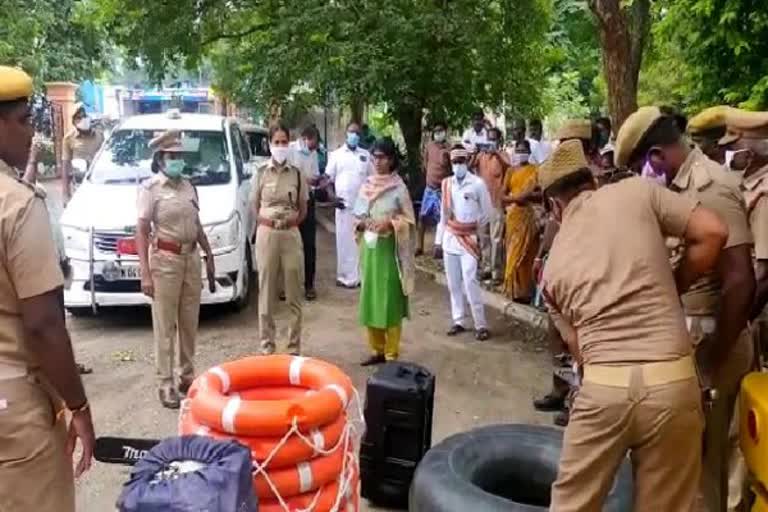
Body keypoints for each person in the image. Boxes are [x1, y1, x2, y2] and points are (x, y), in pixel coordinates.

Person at [541, 139, 729, 511]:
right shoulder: (636, 192)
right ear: (592, 180)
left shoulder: (552, 268)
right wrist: (674, 285)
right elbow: (713, 233)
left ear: (554, 205)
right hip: (672, 386)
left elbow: (579, 350)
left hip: (603, 391)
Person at [616, 106, 756, 512]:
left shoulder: (711, 187)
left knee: (701, 472)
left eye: (642, 163)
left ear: (657, 156)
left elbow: (739, 281)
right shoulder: (677, 189)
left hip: (715, 341)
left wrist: (712, 362)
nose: (643, 173)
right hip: (692, 340)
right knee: (682, 465)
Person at [0, 65, 95, 512]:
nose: (31, 134)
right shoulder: (17, 205)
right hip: (15, 409)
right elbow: (42, 323)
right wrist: (77, 405)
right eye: (22, 122)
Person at [136, 130, 215, 409]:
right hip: (165, 262)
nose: (177, 161)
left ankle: (187, 377)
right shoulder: (151, 189)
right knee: (165, 325)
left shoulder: (189, 186)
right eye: (172, 157)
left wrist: (208, 253)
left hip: (190, 259)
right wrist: (145, 272)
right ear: (160, 159)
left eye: (180, 156)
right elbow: (142, 231)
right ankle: (165, 383)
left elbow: (197, 224)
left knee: (189, 323)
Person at [353, 138, 416, 365]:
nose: (377, 162)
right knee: (370, 298)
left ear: (391, 159)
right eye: (374, 157)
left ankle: (391, 353)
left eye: (382, 157)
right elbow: (358, 214)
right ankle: (376, 350)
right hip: (370, 250)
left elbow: (409, 220)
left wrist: (390, 224)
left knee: (390, 300)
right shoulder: (367, 185)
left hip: (390, 251)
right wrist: (362, 224)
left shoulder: (399, 188)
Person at [250, 122, 309, 356]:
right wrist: (268, 221)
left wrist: (290, 221)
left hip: (291, 234)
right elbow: (254, 206)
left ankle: (293, 348)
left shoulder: (296, 173)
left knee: (294, 291)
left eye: (285, 142)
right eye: (277, 142)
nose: (281, 146)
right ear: (270, 144)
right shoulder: (260, 173)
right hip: (267, 234)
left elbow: (303, 207)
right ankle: (267, 346)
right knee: (266, 291)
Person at [437, 147, 493, 341]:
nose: (458, 165)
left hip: (469, 238)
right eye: (455, 162)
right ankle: (458, 320)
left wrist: (473, 229)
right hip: (450, 237)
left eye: (461, 161)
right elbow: (443, 215)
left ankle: (480, 324)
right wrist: (438, 240)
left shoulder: (477, 184)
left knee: (470, 280)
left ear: (467, 162)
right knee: (453, 283)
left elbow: (487, 213)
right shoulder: (447, 184)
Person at [326, 121, 374, 288]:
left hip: (361, 207)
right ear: (346, 134)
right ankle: (344, 276)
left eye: (357, 133)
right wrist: (333, 198)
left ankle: (359, 276)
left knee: (359, 242)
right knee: (344, 241)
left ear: (360, 136)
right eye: (351, 132)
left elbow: (373, 179)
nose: (354, 135)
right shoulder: (336, 155)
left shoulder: (366, 156)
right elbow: (327, 180)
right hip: (343, 206)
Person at [471, 127, 510, 284]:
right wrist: (475, 152)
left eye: (494, 139)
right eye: (489, 139)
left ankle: (496, 272)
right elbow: (469, 166)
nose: (491, 142)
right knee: (484, 237)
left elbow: (509, 165)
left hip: (496, 203)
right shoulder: (482, 156)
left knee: (496, 238)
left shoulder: (503, 156)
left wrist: (497, 154)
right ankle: (486, 268)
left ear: (499, 140)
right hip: (481, 204)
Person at [501, 139, 539, 301]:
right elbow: (502, 195)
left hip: (530, 217)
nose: (521, 153)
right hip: (513, 217)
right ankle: (514, 291)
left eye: (524, 150)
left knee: (528, 254)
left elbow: (541, 193)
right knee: (513, 253)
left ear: (529, 152)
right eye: (519, 150)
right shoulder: (510, 171)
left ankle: (527, 292)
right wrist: (516, 199)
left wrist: (527, 196)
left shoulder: (536, 170)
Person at [289, 125, 323, 300]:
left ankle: (309, 285)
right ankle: (287, 287)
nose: (315, 146)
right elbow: (288, 174)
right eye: (314, 141)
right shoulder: (290, 150)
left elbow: (315, 176)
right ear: (306, 138)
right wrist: (304, 179)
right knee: (289, 245)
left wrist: (317, 181)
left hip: (308, 201)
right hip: (291, 203)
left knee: (309, 245)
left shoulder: (314, 154)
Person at [417, 120, 451, 256]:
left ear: (445, 132)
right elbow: (425, 163)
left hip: (442, 189)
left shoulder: (449, 148)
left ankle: (440, 246)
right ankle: (419, 246)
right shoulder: (429, 146)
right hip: (429, 188)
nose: (438, 134)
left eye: (440, 131)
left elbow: (451, 168)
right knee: (422, 217)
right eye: (436, 131)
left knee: (443, 218)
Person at [62, 102, 103, 204]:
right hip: (80, 184)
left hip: (100, 182)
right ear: (74, 122)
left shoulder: (100, 135)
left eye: (84, 116)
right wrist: (65, 194)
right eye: (79, 118)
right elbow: (65, 166)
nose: (83, 119)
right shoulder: (69, 138)